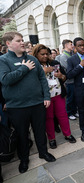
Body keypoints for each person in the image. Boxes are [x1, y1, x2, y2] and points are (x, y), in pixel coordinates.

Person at [0, 32, 56, 174]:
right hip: (17, 107)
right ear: (8, 44)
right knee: (22, 135)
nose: (22, 42)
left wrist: (47, 96)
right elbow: (6, 79)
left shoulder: (32, 59)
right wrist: (24, 68)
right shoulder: (3, 60)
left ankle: (43, 153)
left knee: (40, 131)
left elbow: (42, 79)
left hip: (37, 104)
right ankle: (24, 160)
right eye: (18, 40)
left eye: (22, 40)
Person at [32, 44, 76, 149]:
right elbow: (31, 81)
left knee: (63, 115)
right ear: (36, 54)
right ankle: (51, 139)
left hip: (59, 94)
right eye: (42, 54)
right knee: (49, 118)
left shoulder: (55, 63)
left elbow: (65, 77)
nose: (45, 56)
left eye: (47, 54)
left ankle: (68, 134)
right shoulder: (34, 66)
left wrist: (61, 76)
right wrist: (43, 71)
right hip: (45, 97)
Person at [59, 39, 78, 120]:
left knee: (74, 97)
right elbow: (68, 68)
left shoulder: (71, 55)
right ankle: (69, 112)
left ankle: (74, 111)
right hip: (69, 81)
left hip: (74, 80)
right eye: (71, 44)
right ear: (66, 45)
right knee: (70, 98)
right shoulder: (63, 56)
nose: (72, 46)